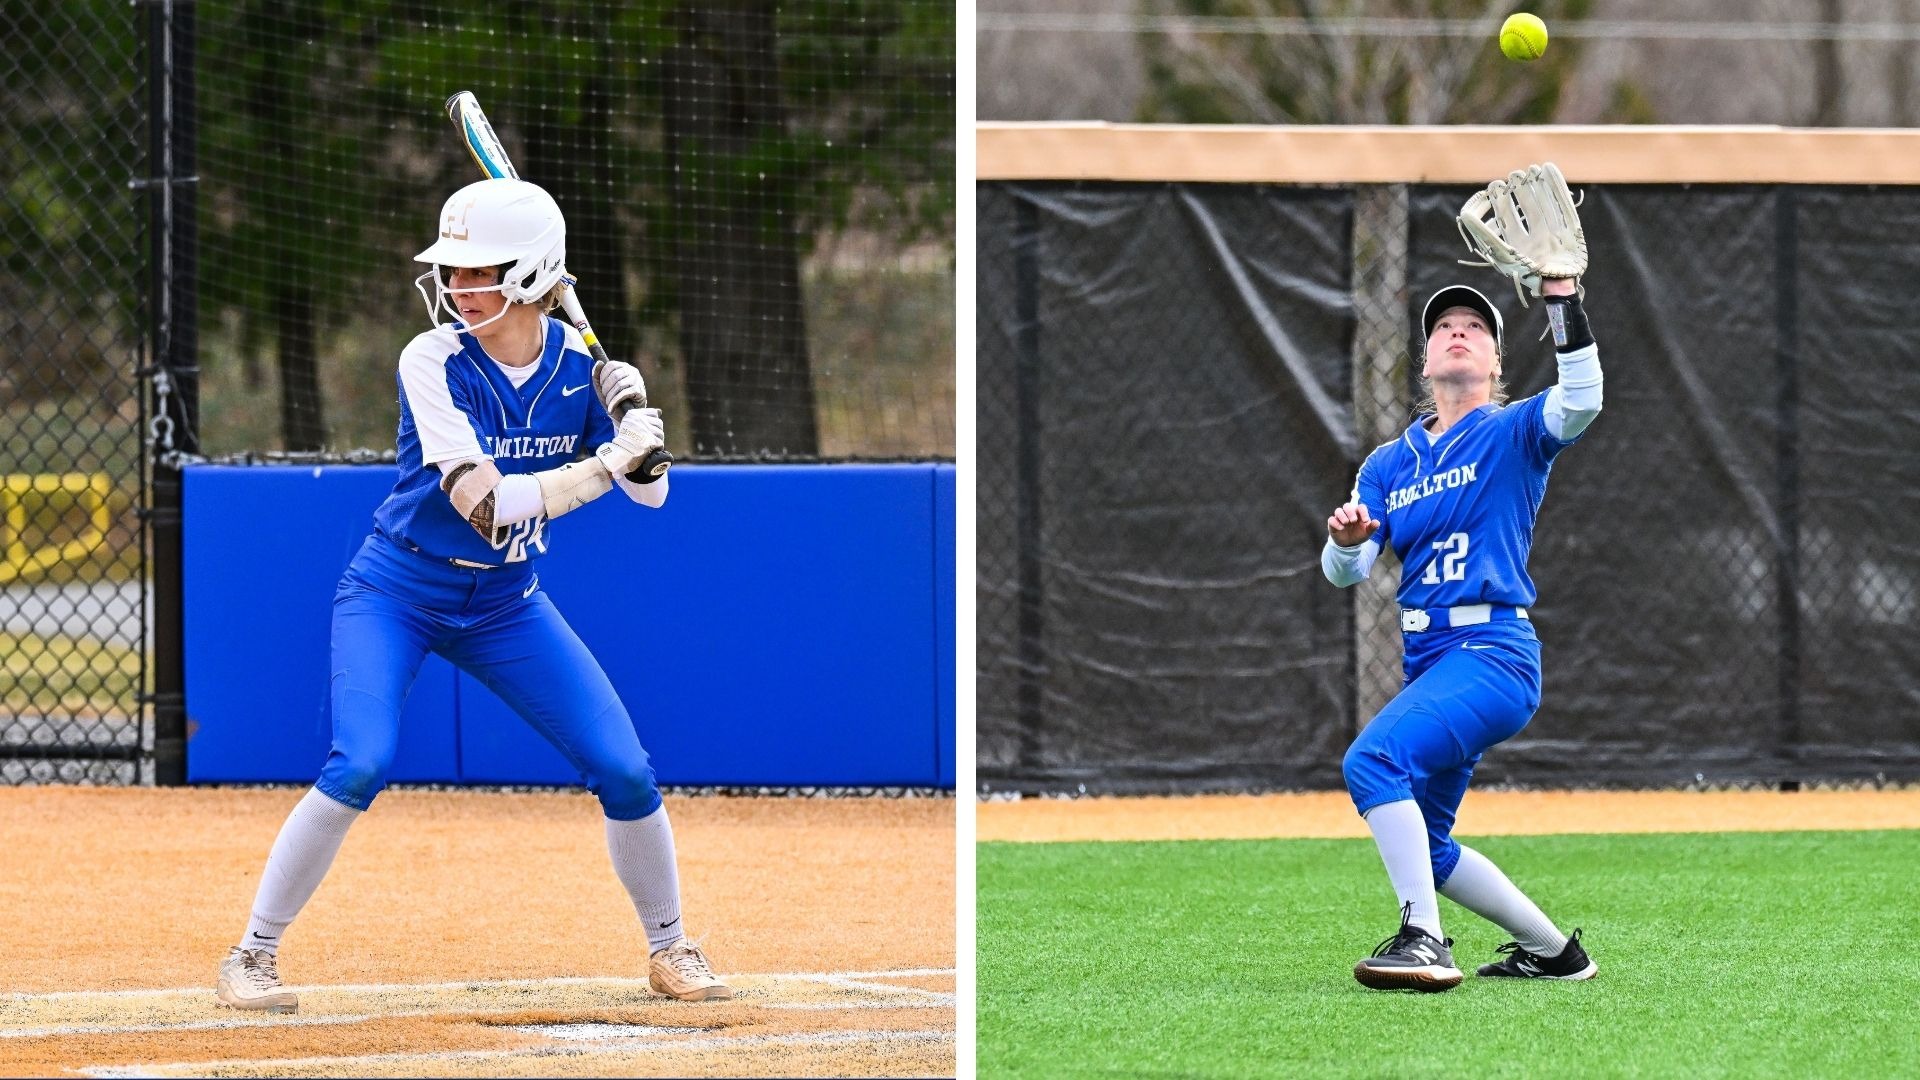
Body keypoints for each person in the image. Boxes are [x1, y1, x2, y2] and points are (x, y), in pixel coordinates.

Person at [215, 177, 730, 1014]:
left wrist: (637, 433)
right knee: (362, 761)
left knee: (626, 770)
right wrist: (609, 461)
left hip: (505, 604)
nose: (457, 287)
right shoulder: (432, 359)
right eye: (452, 272)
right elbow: (487, 506)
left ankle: (671, 947)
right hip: (396, 587)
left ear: (531, 275)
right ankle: (251, 955)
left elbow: (654, 498)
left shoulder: (577, 366)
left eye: (477, 271)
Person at [1321, 275, 1603, 992]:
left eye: (1474, 329)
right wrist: (1350, 539)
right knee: (1433, 842)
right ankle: (1554, 954)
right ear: (1423, 362)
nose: (1457, 332)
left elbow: (1583, 400)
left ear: (1497, 363)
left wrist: (1563, 299)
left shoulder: (1512, 434)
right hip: (1434, 663)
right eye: (1443, 326)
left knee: (1371, 763)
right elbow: (1344, 572)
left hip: (1495, 656)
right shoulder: (1389, 464)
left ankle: (1423, 939)